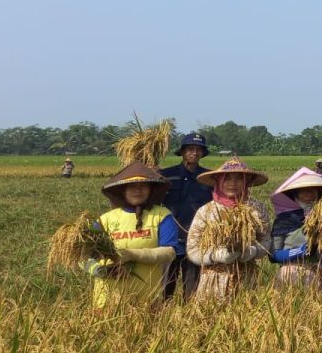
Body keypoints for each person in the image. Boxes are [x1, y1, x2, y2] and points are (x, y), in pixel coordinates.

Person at [82, 161, 179, 309]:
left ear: (151, 189)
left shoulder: (161, 216)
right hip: (108, 300)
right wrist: (99, 270)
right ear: (123, 190)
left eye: (143, 186)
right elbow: (83, 254)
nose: (137, 190)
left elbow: (169, 252)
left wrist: (132, 254)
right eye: (132, 186)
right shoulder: (106, 219)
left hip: (147, 298)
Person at [186, 157, 272, 301]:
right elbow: (192, 250)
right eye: (227, 179)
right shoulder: (207, 211)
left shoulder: (256, 208)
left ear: (246, 182)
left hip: (247, 281)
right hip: (213, 283)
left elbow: (267, 240)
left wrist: (254, 251)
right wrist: (215, 256)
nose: (233, 184)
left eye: (239, 179)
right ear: (219, 182)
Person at [160, 132, 213, 300]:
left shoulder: (208, 178)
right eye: (190, 149)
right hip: (170, 239)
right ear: (182, 152)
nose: (194, 153)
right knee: (165, 285)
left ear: (203, 153)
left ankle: (188, 319)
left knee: (192, 286)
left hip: (196, 238)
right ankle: (164, 316)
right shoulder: (166, 175)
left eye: (198, 150)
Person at [269, 167, 322, 287]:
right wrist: (300, 251)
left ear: (319, 192)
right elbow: (273, 255)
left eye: (313, 189)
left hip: (318, 274)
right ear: (295, 192)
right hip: (291, 273)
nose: (308, 192)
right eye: (303, 189)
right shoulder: (284, 219)